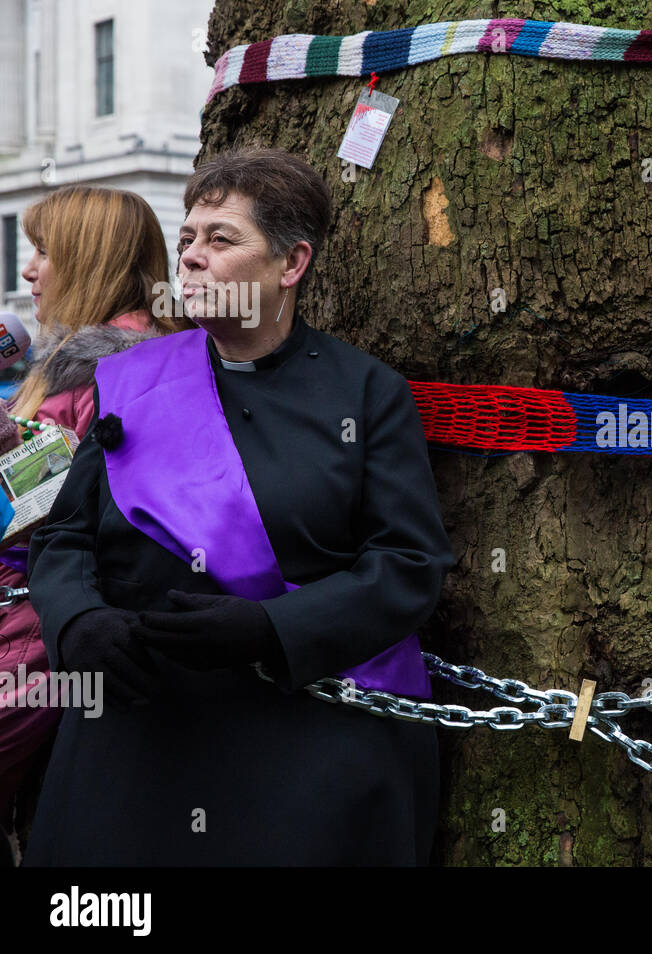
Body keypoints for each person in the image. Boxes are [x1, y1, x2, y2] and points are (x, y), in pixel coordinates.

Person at [22, 148, 455, 865]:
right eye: (187, 237)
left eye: (221, 239)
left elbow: (409, 564)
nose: (191, 257)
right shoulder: (131, 380)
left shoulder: (365, 393)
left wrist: (269, 629)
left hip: (295, 741)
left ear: (291, 265)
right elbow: (63, 538)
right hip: (136, 738)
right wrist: (79, 625)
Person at [0, 186, 180, 864]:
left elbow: (90, 513)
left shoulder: (135, 369)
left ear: (88, 259)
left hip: (41, 635)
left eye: (43, 252)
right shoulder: (67, 363)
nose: (28, 271)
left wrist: (12, 453)